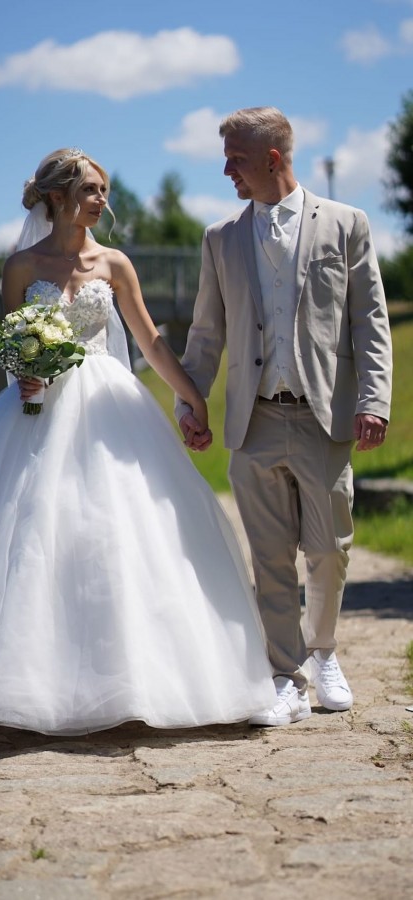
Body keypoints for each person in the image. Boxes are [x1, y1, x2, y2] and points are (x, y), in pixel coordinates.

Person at [0, 147, 277, 738]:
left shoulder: (115, 264)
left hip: (108, 407)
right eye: (92, 190)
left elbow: (148, 342)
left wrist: (193, 397)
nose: (102, 201)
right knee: (28, 536)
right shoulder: (20, 266)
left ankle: (137, 685)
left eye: (103, 190)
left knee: (116, 536)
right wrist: (25, 370)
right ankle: (18, 692)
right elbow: (11, 347)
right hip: (35, 410)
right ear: (56, 195)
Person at [176, 107, 392, 726]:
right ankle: (284, 674)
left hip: (325, 417)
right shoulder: (220, 239)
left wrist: (372, 399)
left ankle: (325, 653)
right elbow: (205, 336)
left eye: (236, 159)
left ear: (272, 160)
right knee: (269, 557)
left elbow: (369, 323)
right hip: (255, 419)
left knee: (330, 551)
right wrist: (190, 405)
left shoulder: (348, 225)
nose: (226, 171)